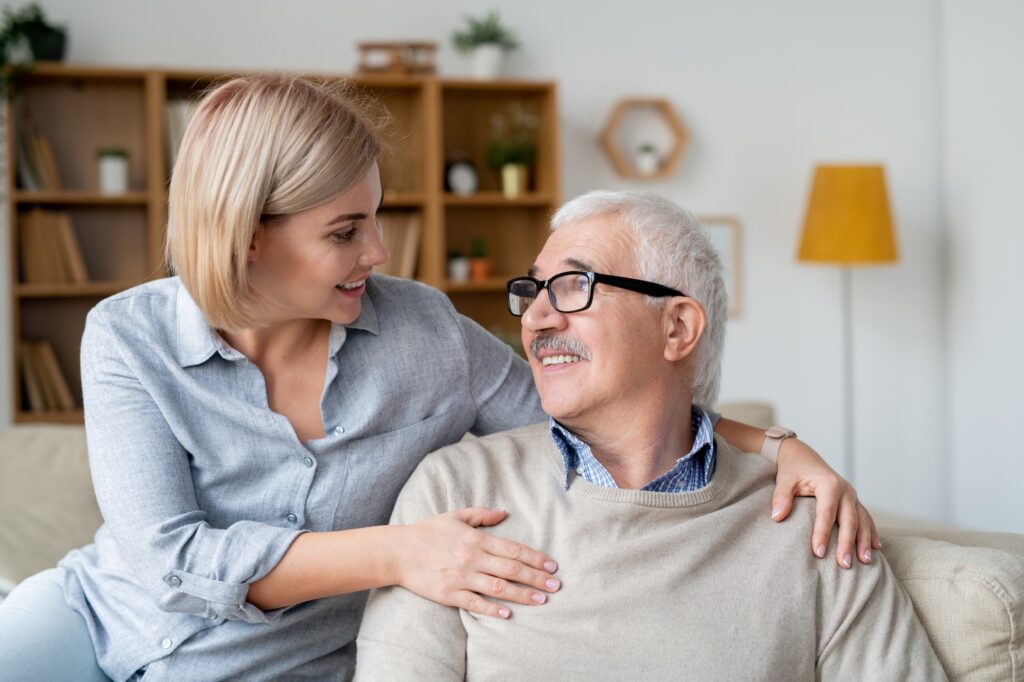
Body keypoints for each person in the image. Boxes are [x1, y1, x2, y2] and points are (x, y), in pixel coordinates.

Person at [0, 77, 874, 681]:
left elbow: (589, 410)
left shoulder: (419, 330)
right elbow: (167, 561)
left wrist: (776, 444)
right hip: (95, 621)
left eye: (377, 219)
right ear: (249, 235)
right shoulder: (125, 336)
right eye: (346, 232)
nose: (377, 254)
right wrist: (400, 552)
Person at [355, 191, 945, 680]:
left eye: (574, 286)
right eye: (534, 291)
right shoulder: (455, 491)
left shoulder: (811, 523)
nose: (536, 317)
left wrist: (781, 447)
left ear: (678, 327)